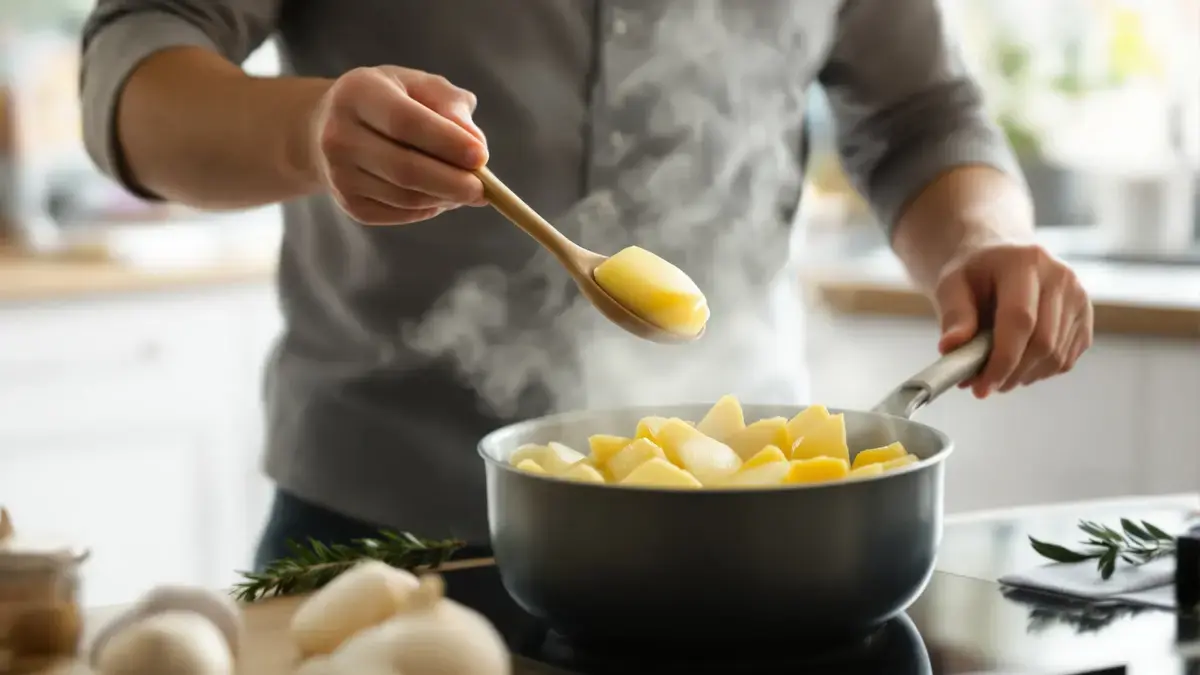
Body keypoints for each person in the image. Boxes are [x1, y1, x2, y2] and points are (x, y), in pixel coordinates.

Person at [79, 0, 1094, 570]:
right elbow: (134, 66)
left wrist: (981, 238)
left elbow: (921, 111)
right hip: (383, 539)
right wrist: (306, 131)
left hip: (749, 529)